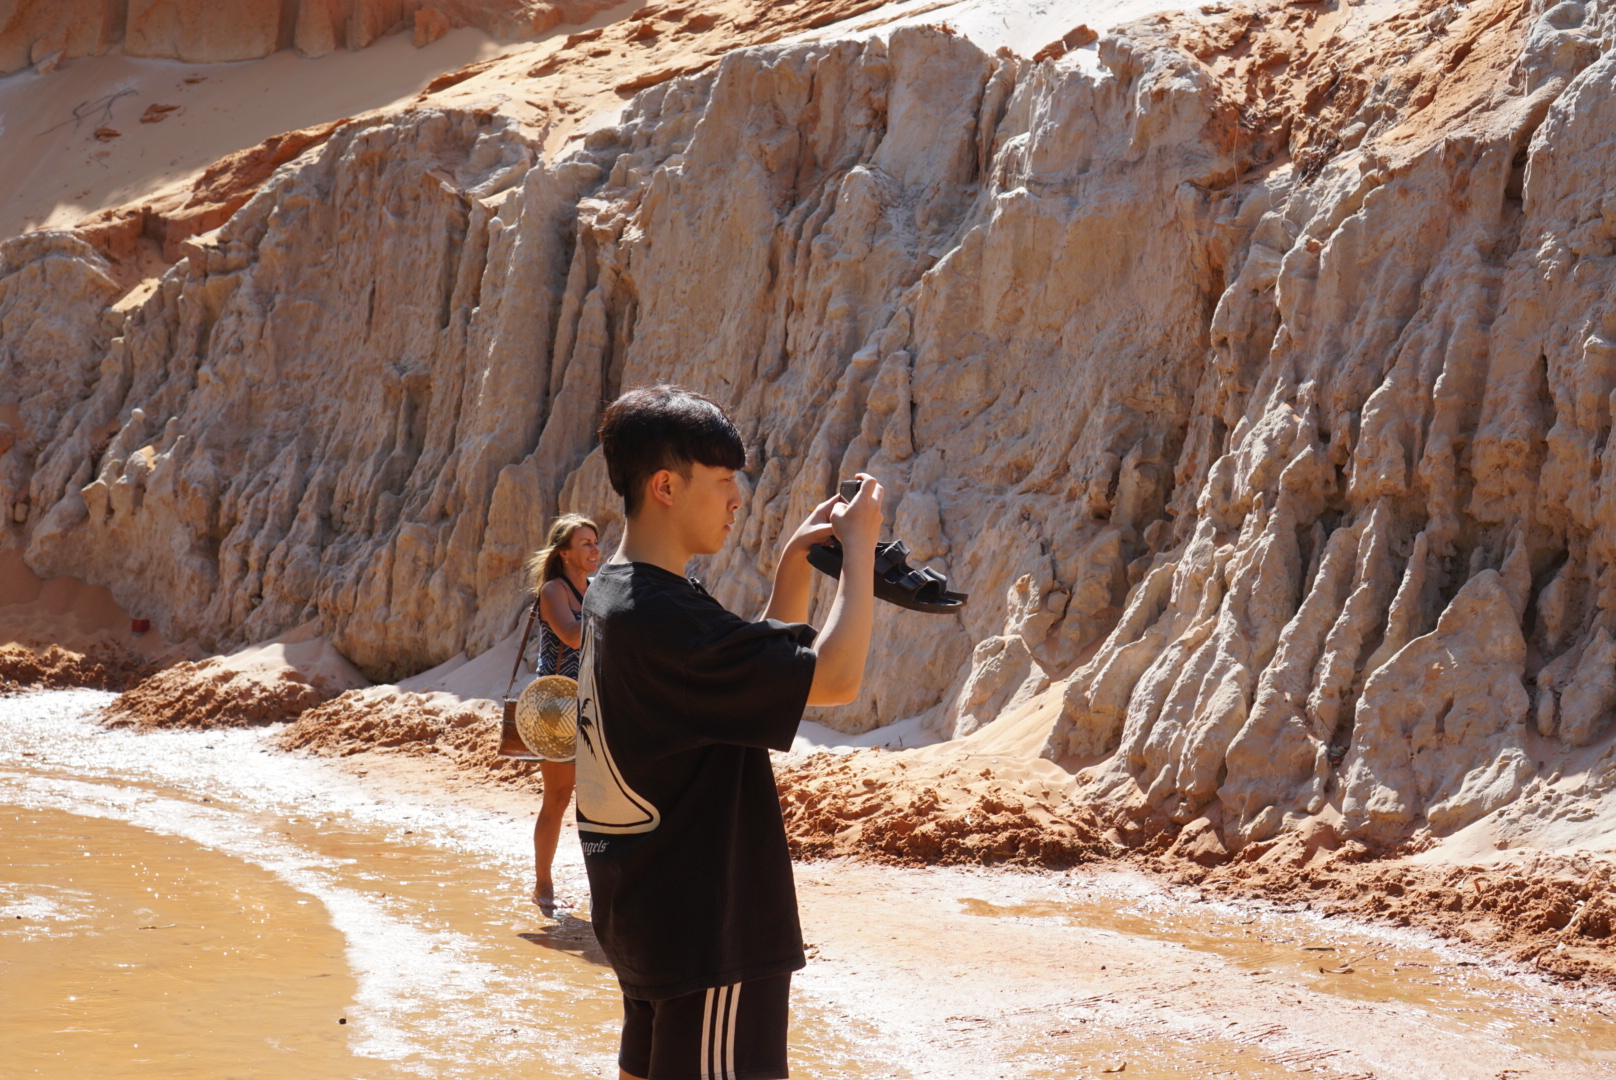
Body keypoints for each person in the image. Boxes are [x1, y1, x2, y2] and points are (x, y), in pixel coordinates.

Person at [574, 385, 881, 1080]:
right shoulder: (667, 621)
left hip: (647, 914)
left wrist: (794, 563)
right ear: (665, 487)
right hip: (710, 935)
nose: (737, 499)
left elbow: (742, 676)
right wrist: (860, 551)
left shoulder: (619, 593)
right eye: (722, 481)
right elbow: (835, 678)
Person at [523, 513, 600, 913]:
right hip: (555, 707)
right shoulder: (553, 590)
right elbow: (571, 636)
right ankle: (543, 883)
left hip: (594, 705)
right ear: (565, 552)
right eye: (585, 543)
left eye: (595, 542)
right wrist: (616, 613)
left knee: (597, 801)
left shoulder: (597, 590)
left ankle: (601, 887)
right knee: (557, 797)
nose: (595, 549)